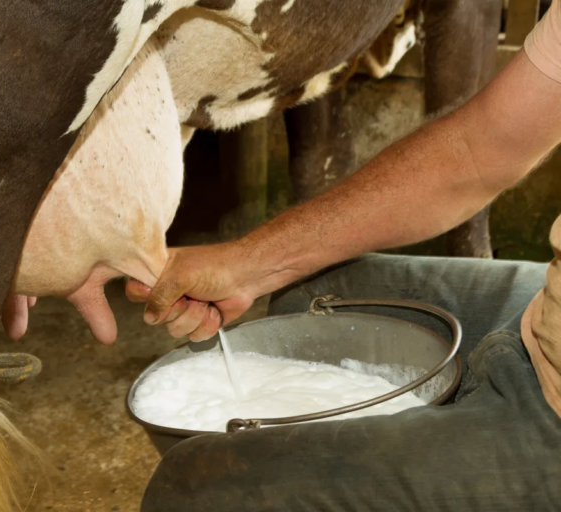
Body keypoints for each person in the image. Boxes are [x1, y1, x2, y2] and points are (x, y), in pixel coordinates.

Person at [124, 2, 561, 510]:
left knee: (195, 487)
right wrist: (246, 265)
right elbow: (475, 149)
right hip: (544, 308)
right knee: (311, 297)